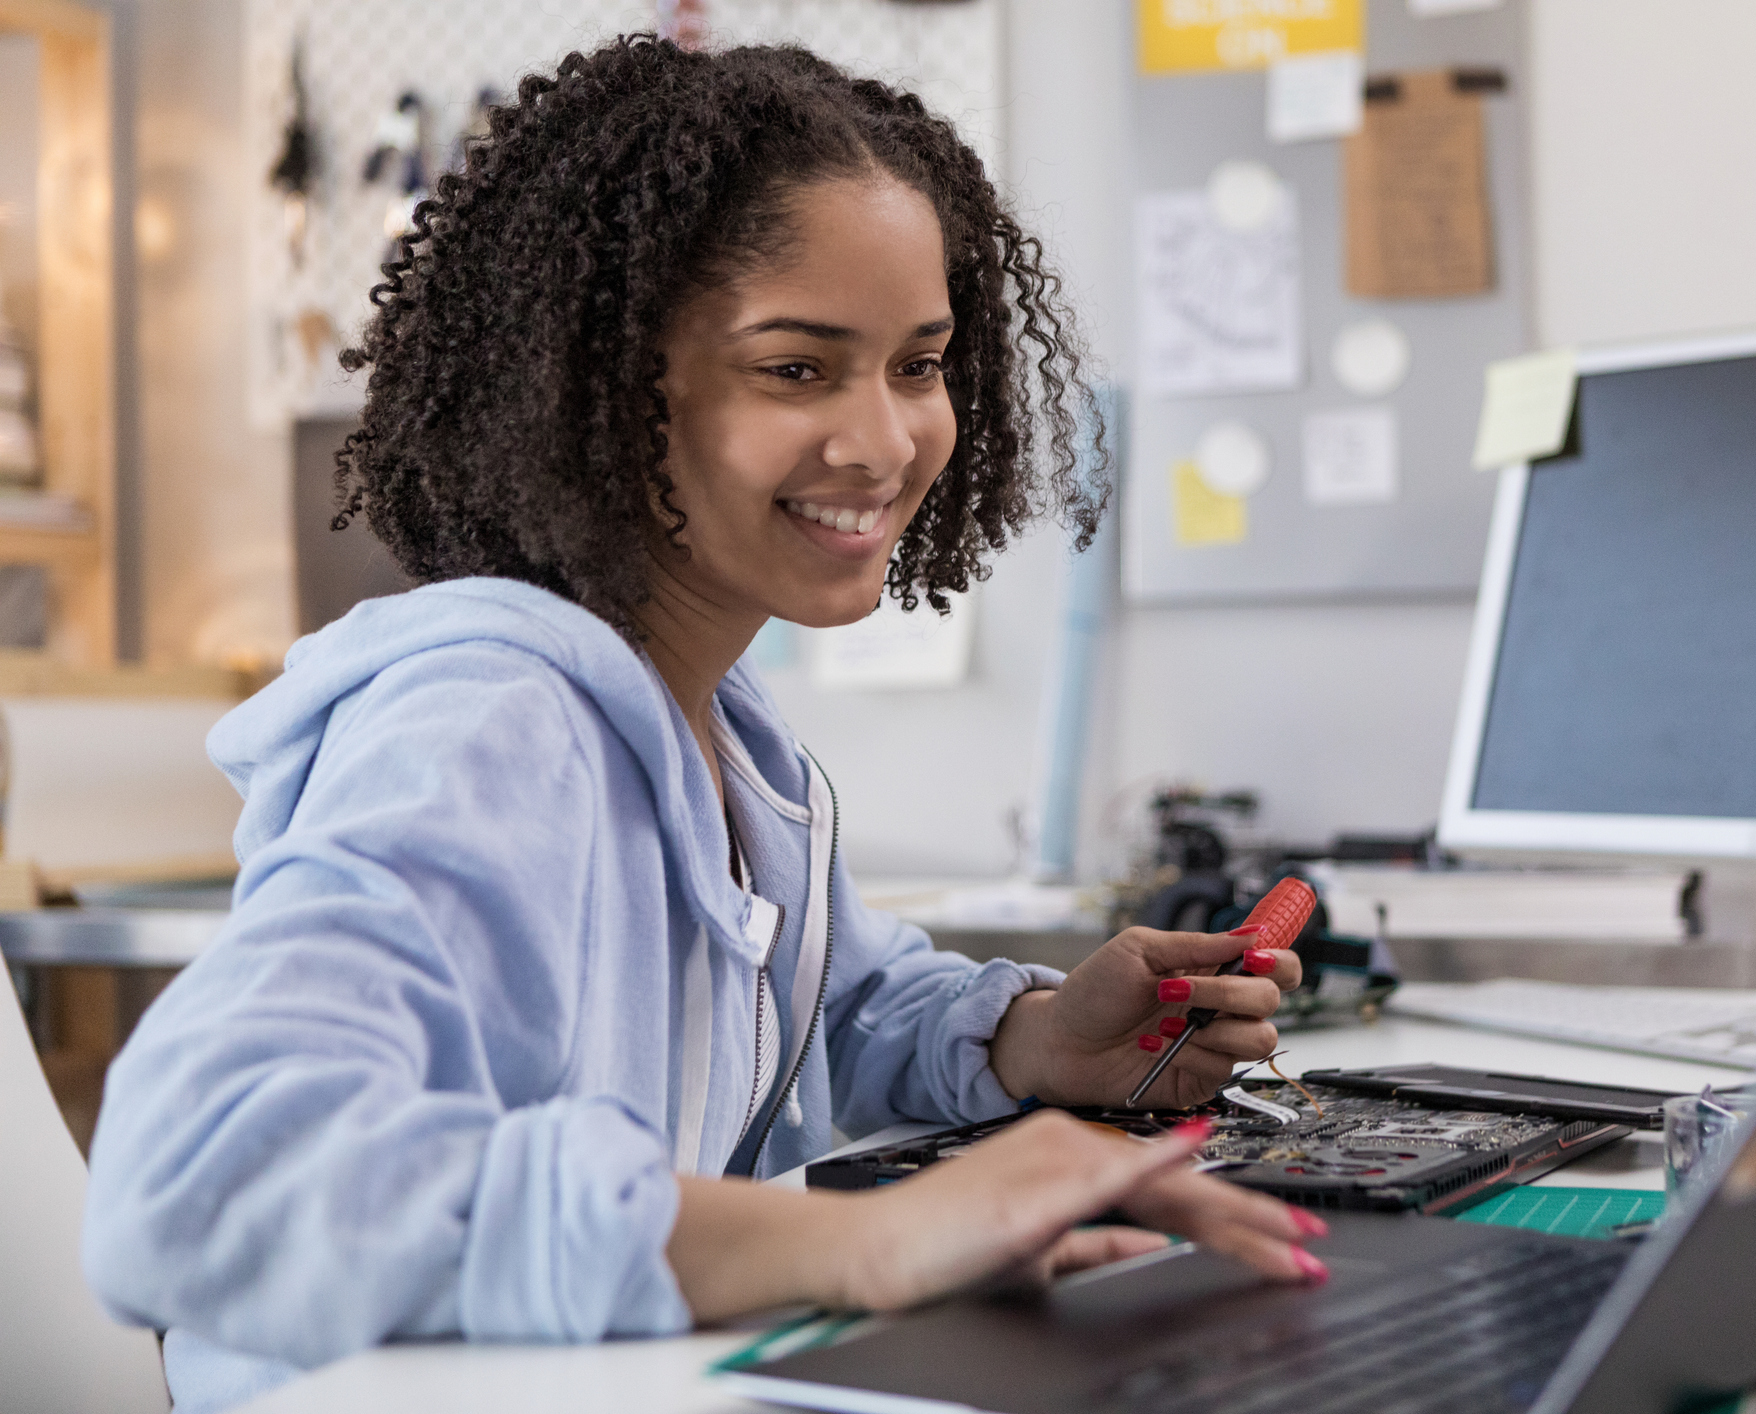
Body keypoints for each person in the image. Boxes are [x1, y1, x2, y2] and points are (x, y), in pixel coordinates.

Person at [81, 37, 1325, 1414]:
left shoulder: (722, 728)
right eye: (797, 370)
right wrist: (860, 1242)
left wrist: (1034, 1038)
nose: (885, 440)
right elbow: (203, 1173)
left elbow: (823, 1008)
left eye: (919, 364)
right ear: (606, 389)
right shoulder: (490, 722)